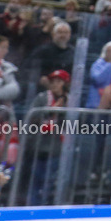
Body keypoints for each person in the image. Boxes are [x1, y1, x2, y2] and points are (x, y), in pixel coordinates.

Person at [26, 70, 70, 206]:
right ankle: (33, 205)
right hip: (39, 146)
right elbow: (32, 118)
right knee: (36, 179)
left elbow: (73, 123)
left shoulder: (70, 100)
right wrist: (51, 111)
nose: (55, 84)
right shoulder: (42, 98)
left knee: (50, 181)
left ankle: (46, 205)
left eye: (59, 81)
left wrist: (62, 111)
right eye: (53, 81)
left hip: (57, 148)